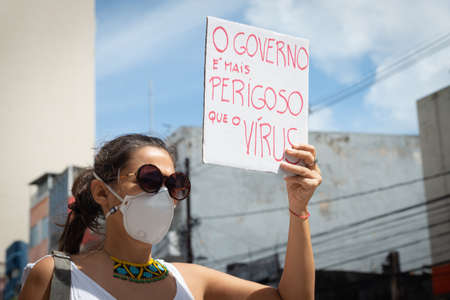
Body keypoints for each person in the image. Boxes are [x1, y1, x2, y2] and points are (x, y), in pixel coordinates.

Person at [19, 133, 321, 300]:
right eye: (149, 179)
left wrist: (298, 208)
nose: (163, 194)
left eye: (174, 184)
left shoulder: (192, 281)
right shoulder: (56, 277)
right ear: (101, 192)